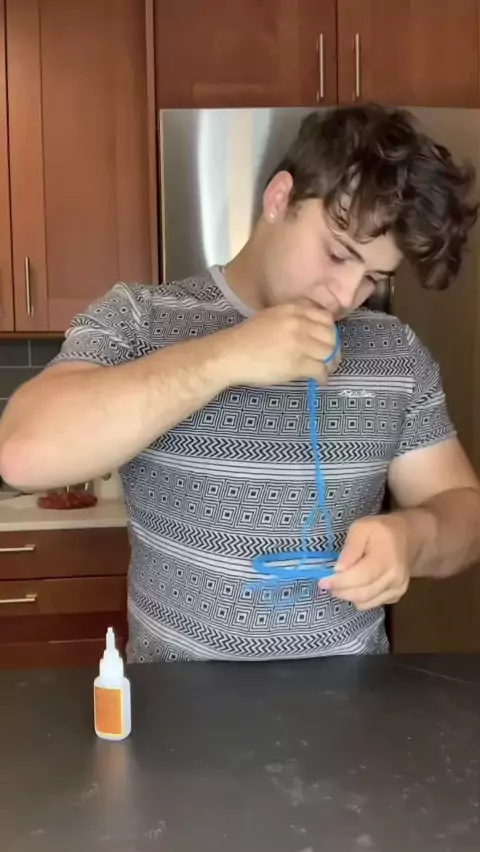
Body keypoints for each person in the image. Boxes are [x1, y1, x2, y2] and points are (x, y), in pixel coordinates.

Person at [1, 104, 480, 662]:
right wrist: (225, 355)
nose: (346, 296)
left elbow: (463, 514)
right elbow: (23, 453)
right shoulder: (142, 318)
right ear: (279, 198)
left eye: (373, 277)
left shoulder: (394, 352)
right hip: (173, 707)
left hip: (352, 708)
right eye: (336, 253)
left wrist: (415, 538)